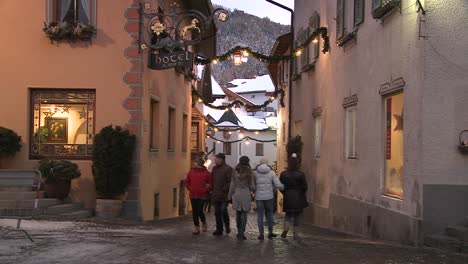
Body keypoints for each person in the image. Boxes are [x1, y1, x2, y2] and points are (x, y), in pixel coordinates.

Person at [279, 153, 308, 238]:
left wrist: (284, 193)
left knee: (288, 214)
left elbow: (281, 186)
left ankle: (286, 228)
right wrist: (301, 193)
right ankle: (295, 233)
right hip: (298, 196)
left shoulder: (283, 174)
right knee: (297, 215)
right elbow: (305, 186)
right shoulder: (301, 174)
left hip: (288, 195)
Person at [254, 158, 284, 240]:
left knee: (260, 215)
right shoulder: (272, 173)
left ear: (260, 163)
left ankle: (261, 234)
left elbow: (252, 185)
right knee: (270, 214)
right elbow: (278, 184)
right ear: (267, 164)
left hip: (259, 197)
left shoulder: (255, 173)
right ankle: (270, 233)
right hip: (269, 197)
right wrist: (283, 187)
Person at [228, 156, 255, 240]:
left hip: (237, 192)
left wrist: (229, 195)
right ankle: (242, 232)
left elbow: (232, 184)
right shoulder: (250, 171)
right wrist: (253, 191)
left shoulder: (235, 170)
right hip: (246, 193)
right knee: (244, 213)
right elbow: (252, 186)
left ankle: (238, 230)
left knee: (238, 213)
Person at [185, 157, 212, 235]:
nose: (194, 163)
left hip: (203, 194)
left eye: (196, 162)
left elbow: (210, 184)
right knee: (194, 211)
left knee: (199, 210)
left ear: (200, 163)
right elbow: (187, 181)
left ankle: (204, 222)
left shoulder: (207, 173)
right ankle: (196, 227)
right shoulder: (191, 172)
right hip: (193, 194)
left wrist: (206, 188)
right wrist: (190, 188)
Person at [211, 153, 233, 236]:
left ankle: (227, 225)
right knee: (217, 212)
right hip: (216, 194)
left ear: (221, 159)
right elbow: (212, 180)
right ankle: (219, 229)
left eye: (216, 159)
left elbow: (230, 181)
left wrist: (225, 188)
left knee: (223, 210)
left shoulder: (228, 169)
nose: (215, 160)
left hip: (224, 195)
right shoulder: (214, 169)